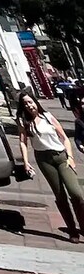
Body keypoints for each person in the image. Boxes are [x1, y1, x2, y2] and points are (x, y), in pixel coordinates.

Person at [18, 93, 84, 243]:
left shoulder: (47, 116)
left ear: (35, 102)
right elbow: (23, 142)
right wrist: (26, 162)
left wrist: (70, 157)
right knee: (60, 195)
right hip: (44, 160)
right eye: (25, 104)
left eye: (30, 102)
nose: (29, 105)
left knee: (76, 193)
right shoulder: (24, 121)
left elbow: (64, 138)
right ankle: (72, 230)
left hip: (61, 157)